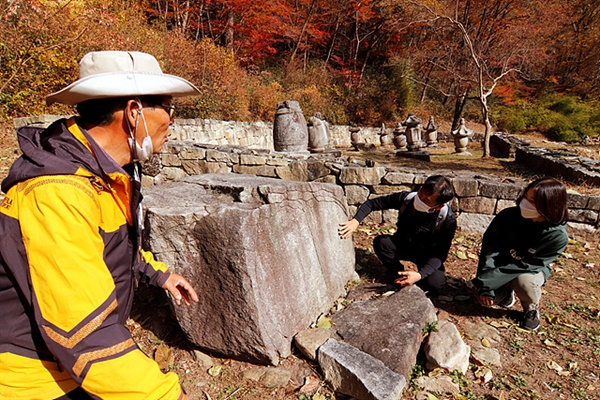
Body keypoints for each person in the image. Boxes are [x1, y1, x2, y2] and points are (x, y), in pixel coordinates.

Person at [0, 51, 201, 399]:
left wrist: (158, 274)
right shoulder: (58, 193)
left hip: (68, 364)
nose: (172, 122)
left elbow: (108, 246)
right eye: (169, 108)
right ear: (135, 111)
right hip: (35, 378)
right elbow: (83, 332)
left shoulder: (102, 172)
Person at [472, 177, 569, 331]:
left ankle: (531, 309)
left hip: (529, 269)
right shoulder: (507, 216)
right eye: (526, 197)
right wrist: (486, 284)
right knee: (483, 299)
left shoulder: (557, 236)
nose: (525, 203)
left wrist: (488, 281)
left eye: (533, 201)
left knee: (524, 282)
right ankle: (506, 294)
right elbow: (490, 249)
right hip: (502, 263)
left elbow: (529, 264)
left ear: (549, 206)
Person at [339, 175, 457, 294]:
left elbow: (440, 255)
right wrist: (355, 221)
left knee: (435, 284)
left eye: (427, 200)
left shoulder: (447, 220)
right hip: (403, 244)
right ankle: (397, 273)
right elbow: (372, 203)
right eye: (421, 193)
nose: (420, 200)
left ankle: (414, 280)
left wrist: (420, 275)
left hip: (427, 255)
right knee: (382, 242)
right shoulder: (406, 199)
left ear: (439, 206)